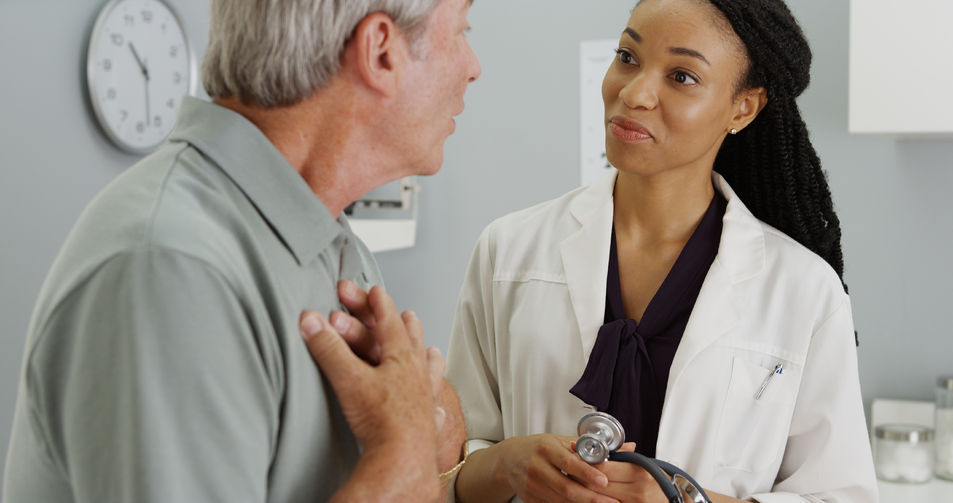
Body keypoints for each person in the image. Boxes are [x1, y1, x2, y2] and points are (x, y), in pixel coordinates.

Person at [2, 0, 480, 501]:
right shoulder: (172, 267)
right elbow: (400, 466)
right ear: (380, 52)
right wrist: (400, 465)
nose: (474, 67)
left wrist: (432, 434)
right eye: (462, 30)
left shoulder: (337, 249)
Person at [446, 0, 877, 502]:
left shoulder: (804, 291)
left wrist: (687, 499)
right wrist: (504, 466)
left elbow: (838, 494)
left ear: (744, 107)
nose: (633, 93)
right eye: (627, 57)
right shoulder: (509, 251)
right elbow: (445, 467)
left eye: (682, 76)